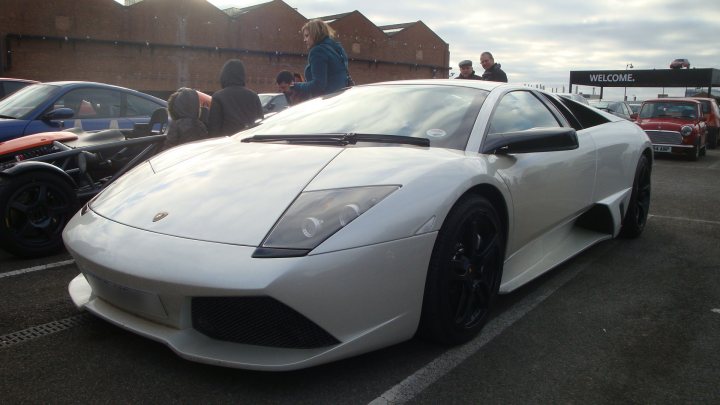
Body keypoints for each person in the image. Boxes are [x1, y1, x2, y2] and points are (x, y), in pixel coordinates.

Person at [289, 19, 350, 99]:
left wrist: (295, 85)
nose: (304, 40)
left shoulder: (317, 51)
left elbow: (318, 85)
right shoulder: (336, 48)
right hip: (341, 99)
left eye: (307, 36)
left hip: (327, 102)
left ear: (315, 34)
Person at [207, 59, 264, 136]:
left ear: (224, 75)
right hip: (249, 140)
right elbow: (260, 122)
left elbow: (214, 128)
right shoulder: (254, 96)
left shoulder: (218, 97)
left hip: (227, 143)